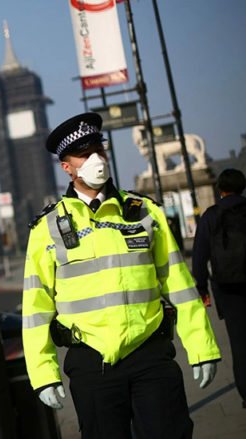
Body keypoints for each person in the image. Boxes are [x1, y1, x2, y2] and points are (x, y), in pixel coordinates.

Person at [21, 112, 221, 439]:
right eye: (84, 155)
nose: (96, 159)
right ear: (67, 167)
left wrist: (202, 347)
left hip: (151, 355)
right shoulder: (47, 228)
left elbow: (179, 285)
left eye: (99, 150)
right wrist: (44, 374)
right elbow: (36, 308)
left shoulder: (145, 212)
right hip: (91, 363)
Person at [192, 168, 246, 408]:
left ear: (220, 189)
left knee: (239, 342)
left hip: (227, 288)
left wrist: (202, 288)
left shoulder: (211, 215)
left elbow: (199, 256)